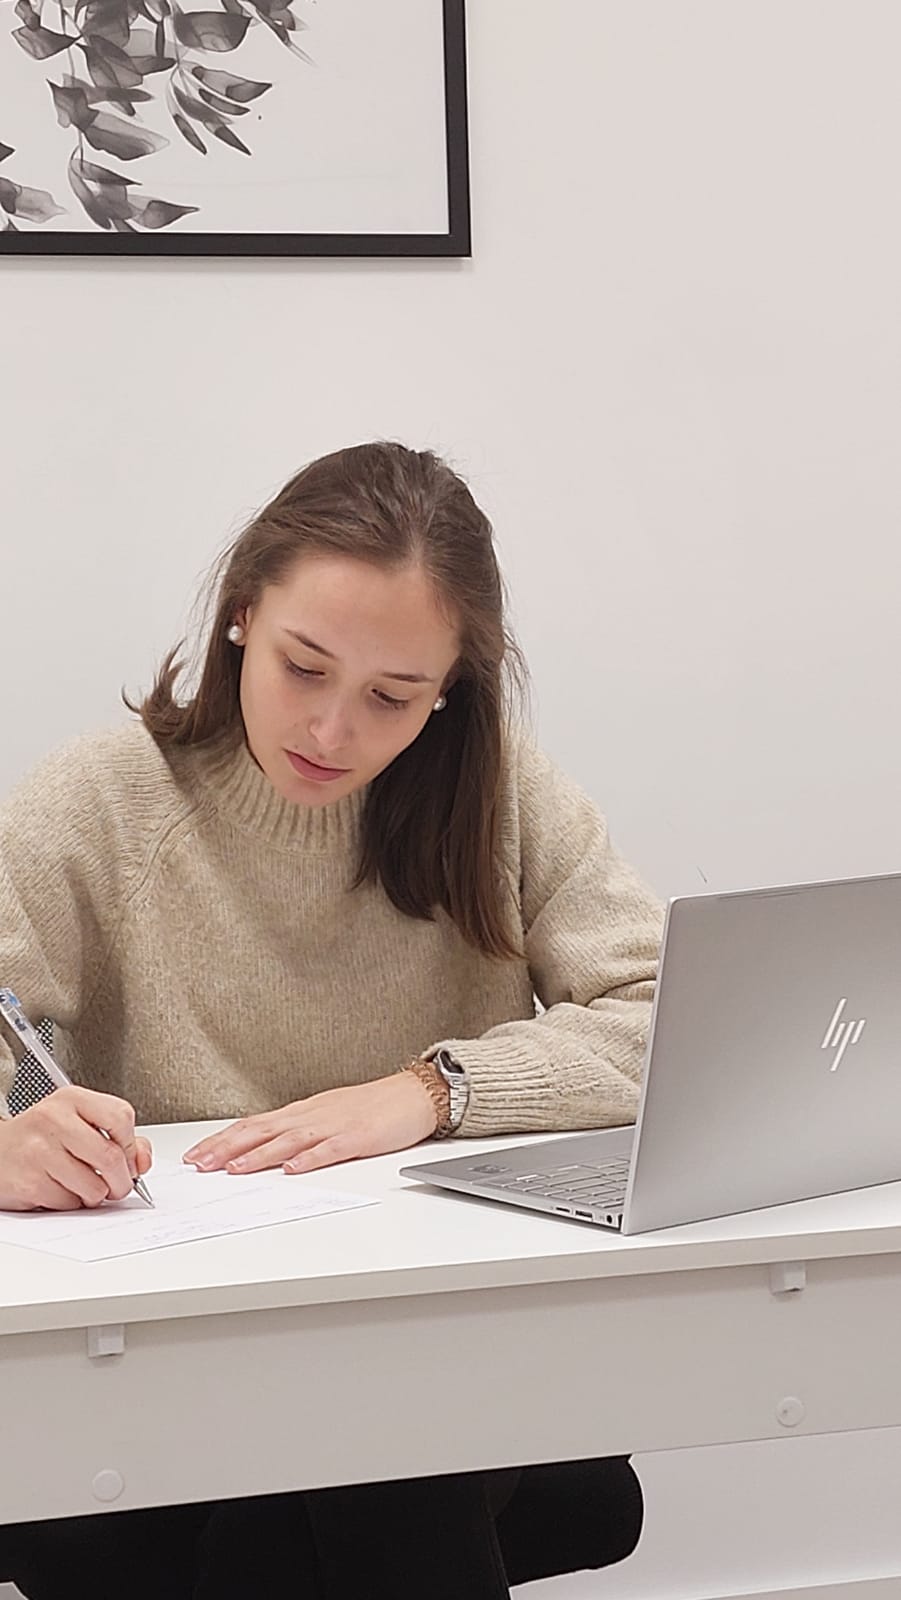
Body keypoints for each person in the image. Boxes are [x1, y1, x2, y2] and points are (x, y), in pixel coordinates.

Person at [0, 441, 662, 1598]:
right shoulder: (98, 802)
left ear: (450, 687)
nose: (331, 729)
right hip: (167, 1356)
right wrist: (13, 1124)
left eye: (392, 697)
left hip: (434, 1323)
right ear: (243, 612)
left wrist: (428, 1092)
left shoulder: (496, 797)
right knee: (390, 1467)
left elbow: (668, 1009)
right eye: (305, 666)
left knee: (371, 1448)